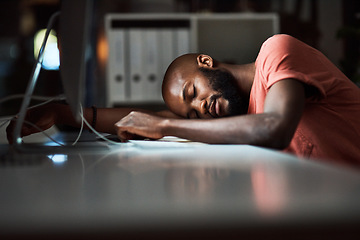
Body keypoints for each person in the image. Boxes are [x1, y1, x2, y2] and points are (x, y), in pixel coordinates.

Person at [6, 34, 360, 168]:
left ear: (206, 63)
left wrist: (165, 126)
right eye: (192, 112)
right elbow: (145, 117)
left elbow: (276, 128)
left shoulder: (276, 52)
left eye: (193, 93)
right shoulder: (240, 114)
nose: (200, 108)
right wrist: (61, 112)